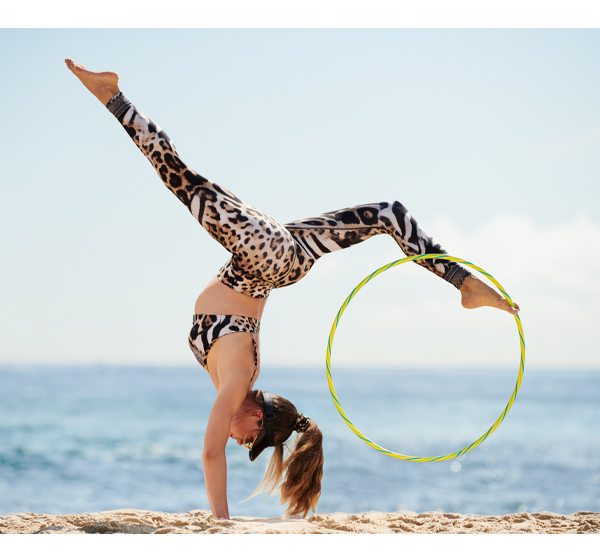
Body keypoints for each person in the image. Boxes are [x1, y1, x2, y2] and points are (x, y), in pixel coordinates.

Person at [64, 58, 520, 520]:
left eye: (246, 445)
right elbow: (209, 453)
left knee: (387, 213)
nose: (238, 439)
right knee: (185, 181)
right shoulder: (239, 380)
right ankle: (112, 95)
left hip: (274, 258)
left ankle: (462, 283)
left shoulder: (236, 380)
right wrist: (221, 523)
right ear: (258, 417)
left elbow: (215, 445)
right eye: (250, 439)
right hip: (267, 258)